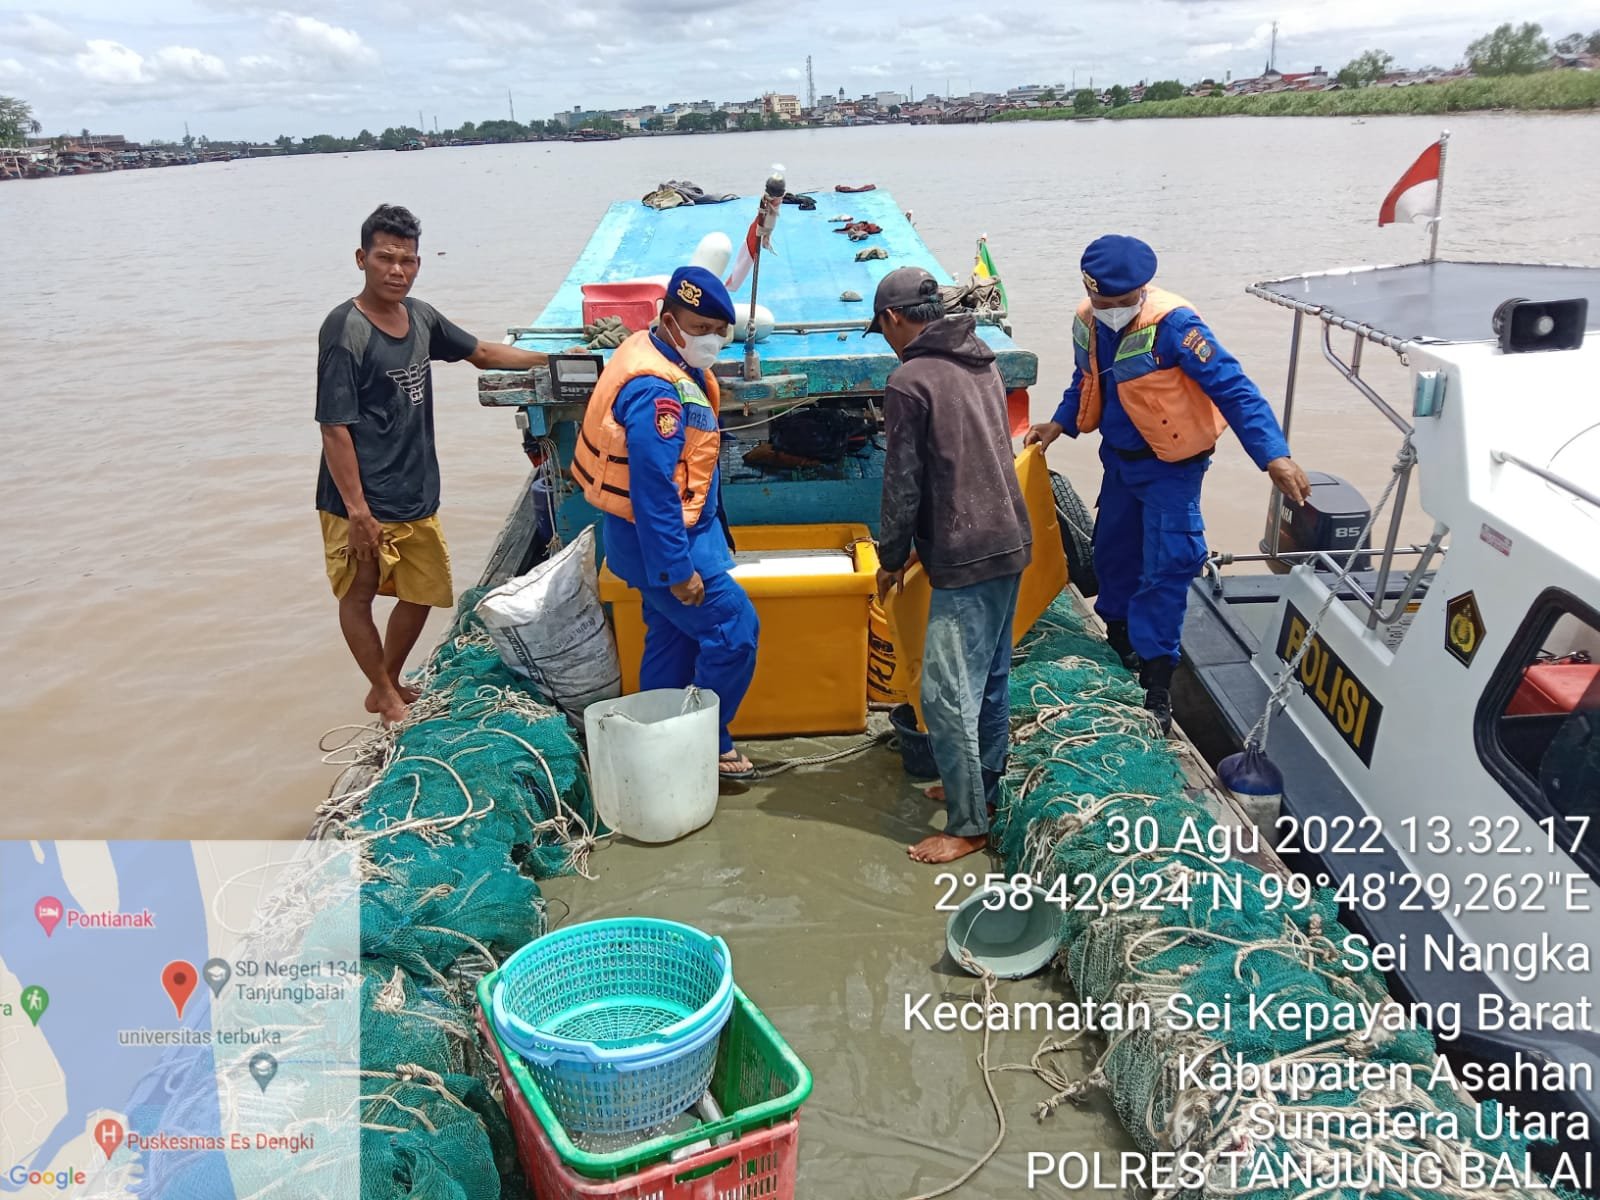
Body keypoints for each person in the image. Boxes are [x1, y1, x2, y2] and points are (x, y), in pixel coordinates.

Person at [1026, 234, 1310, 734]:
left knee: (1167, 565)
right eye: (1102, 301)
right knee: (1113, 551)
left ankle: (1158, 682)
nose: (1112, 310)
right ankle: (1118, 638)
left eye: (1122, 301)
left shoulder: (1176, 326)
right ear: (1089, 291)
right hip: (1119, 460)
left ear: (1142, 290)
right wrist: (1058, 423)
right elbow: (1086, 380)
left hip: (1171, 471)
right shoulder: (1089, 322)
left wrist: (1274, 456)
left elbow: (1234, 388)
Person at [316, 203, 551, 725]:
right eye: (385, 258)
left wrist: (556, 360)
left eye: (408, 260)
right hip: (359, 497)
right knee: (359, 595)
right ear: (361, 259)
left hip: (415, 488)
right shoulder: (344, 329)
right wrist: (356, 511)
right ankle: (384, 691)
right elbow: (334, 427)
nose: (397, 270)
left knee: (423, 592)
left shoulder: (420, 316)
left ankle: (388, 683)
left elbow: (484, 353)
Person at [871, 267, 1033, 865]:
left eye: (882, 328)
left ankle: (967, 824)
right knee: (989, 678)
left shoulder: (909, 380)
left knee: (945, 693)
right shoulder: (983, 359)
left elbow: (903, 484)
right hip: (1010, 538)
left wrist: (891, 555)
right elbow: (967, 460)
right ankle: (981, 790)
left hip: (966, 554)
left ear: (893, 318)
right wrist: (922, 542)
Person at [572, 266, 760, 779]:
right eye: (699, 329)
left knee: (672, 637)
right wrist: (677, 569)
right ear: (670, 321)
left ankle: (657, 742)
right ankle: (709, 741)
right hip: (663, 546)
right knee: (735, 629)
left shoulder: (669, 359)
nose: (711, 340)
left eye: (718, 331)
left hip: (660, 540)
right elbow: (652, 486)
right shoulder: (656, 391)